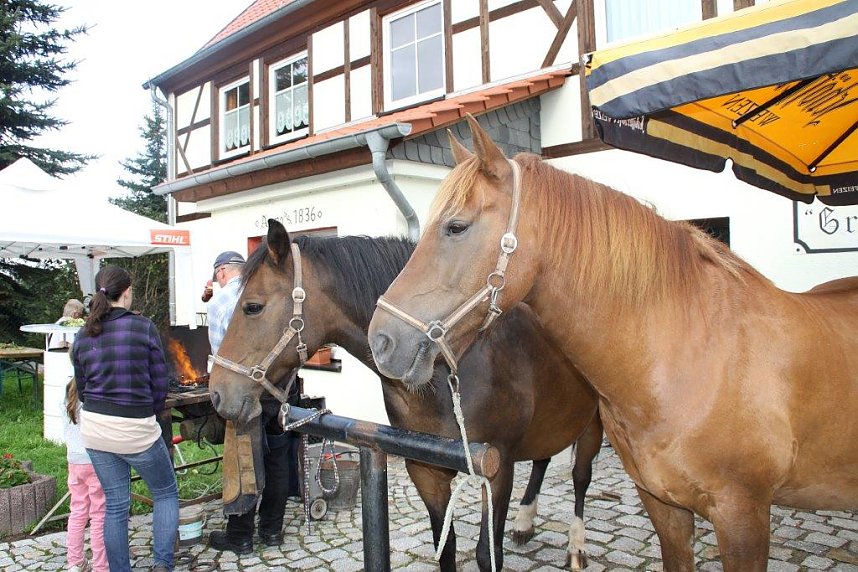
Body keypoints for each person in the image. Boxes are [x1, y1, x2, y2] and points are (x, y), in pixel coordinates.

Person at [70, 265, 178, 572]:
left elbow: (83, 388)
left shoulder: (82, 334)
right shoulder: (142, 327)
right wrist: (149, 413)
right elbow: (160, 383)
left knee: (116, 504)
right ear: (127, 292)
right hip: (136, 429)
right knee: (165, 492)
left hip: (95, 430)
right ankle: (161, 564)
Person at [205, 250, 300, 554]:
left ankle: (241, 536)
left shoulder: (221, 301)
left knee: (243, 459)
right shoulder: (266, 291)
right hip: (281, 389)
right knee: (278, 460)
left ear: (221, 272)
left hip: (245, 389)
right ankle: (272, 530)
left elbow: (221, 350)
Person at [63, 380, 108, 572]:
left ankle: (75, 562)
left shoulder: (66, 390)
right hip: (95, 459)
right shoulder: (94, 389)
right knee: (99, 516)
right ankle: (101, 566)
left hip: (74, 460)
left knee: (78, 511)